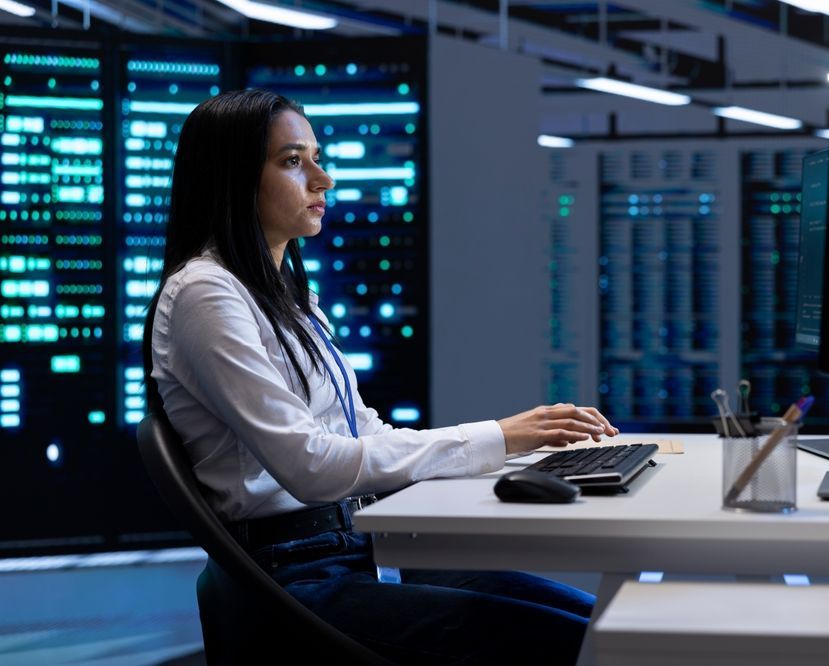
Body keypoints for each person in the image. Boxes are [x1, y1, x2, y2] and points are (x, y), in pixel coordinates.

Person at [143, 88, 619, 665]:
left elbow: (362, 431)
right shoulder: (204, 292)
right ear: (232, 177)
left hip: (358, 548)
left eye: (316, 157)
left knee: (601, 625)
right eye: (294, 162)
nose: (323, 180)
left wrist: (518, 452)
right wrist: (498, 435)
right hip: (299, 577)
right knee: (578, 644)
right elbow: (312, 466)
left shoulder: (291, 298)